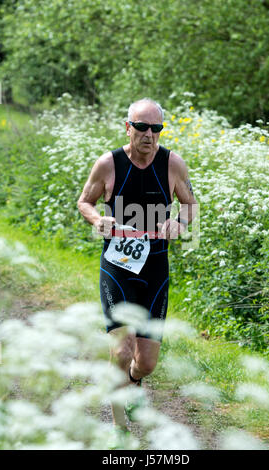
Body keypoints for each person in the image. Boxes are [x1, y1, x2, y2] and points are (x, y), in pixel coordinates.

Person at [77, 98, 197, 431]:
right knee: (121, 348)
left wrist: (181, 224)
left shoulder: (173, 164)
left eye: (156, 128)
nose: (149, 134)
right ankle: (118, 427)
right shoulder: (108, 164)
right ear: (128, 127)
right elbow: (85, 201)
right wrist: (96, 219)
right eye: (142, 127)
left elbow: (190, 205)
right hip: (117, 267)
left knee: (146, 362)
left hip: (155, 270)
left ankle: (132, 381)